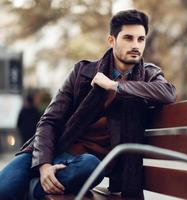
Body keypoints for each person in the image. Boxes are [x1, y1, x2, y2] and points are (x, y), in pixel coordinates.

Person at [0, 9, 176, 200]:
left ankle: (35, 188)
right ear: (112, 40)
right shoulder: (83, 71)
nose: (136, 45)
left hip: (82, 165)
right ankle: (39, 180)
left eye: (140, 39)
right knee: (5, 190)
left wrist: (115, 86)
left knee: (91, 166)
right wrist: (44, 166)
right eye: (128, 38)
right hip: (52, 149)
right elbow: (49, 121)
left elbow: (168, 92)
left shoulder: (149, 75)